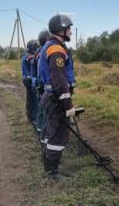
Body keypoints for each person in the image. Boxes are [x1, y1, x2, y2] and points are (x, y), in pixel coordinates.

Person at [39, 14, 76, 180]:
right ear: (61, 30)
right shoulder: (56, 49)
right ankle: (52, 172)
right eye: (69, 29)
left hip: (50, 96)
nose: (71, 32)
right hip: (56, 98)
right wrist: (68, 106)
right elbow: (60, 81)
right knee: (58, 134)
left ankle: (49, 165)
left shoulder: (50, 45)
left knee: (50, 131)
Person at [33, 30, 49, 135]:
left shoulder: (39, 52)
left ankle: (39, 128)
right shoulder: (44, 52)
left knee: (41, 107)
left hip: (39, 82)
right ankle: (43, 133)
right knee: (44, 110)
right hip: (42, 83)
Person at [21, 40, 38, 124]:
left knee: (31, 98)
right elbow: (33, 59)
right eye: (35, 48)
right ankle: (31, 117)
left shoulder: (27, 55)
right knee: (32, 98)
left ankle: (31, 117)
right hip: (28, 80)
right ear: (31, 49)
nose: (36, 50)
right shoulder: (28, 56)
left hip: (28, 79)